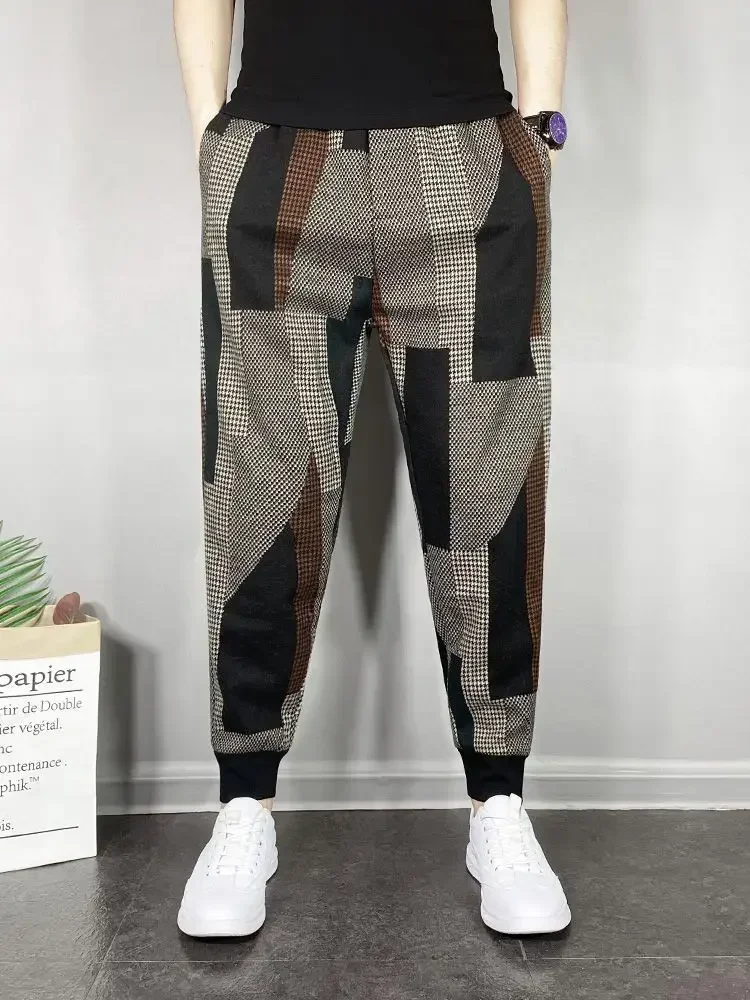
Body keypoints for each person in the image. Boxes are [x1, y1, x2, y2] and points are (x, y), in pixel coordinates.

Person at [173, 0, 570, 939]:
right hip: (276, 152)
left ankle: (498, 802)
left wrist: (540, 134)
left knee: (488, 482)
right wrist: (211, 141)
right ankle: (245, 803)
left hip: (466, 152)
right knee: (260, 483)